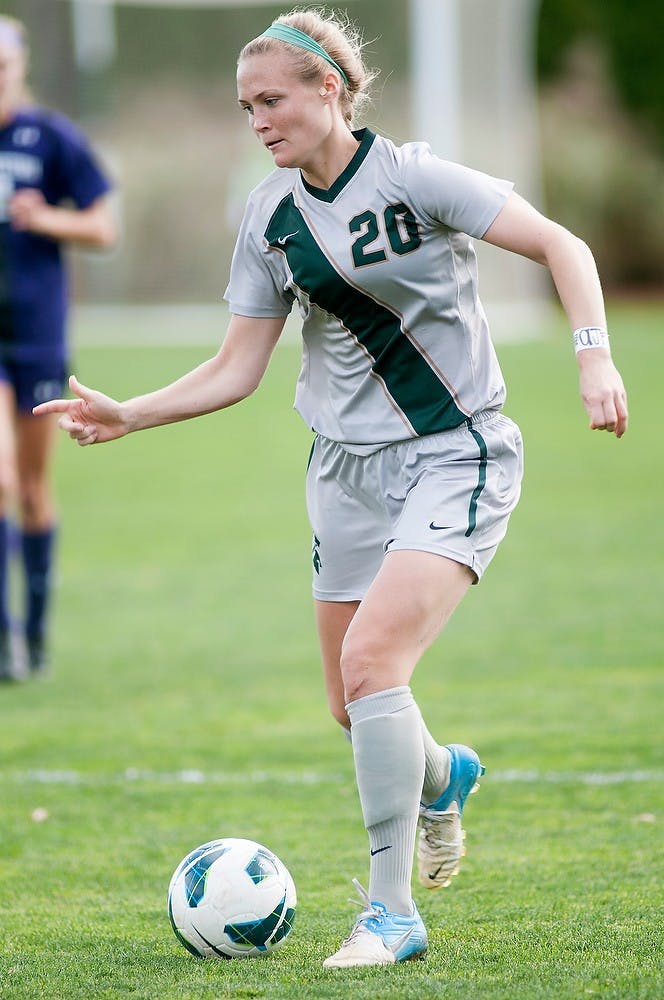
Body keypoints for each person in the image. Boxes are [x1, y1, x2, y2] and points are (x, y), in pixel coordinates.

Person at [34, 8, 628, 968]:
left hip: (457, 452)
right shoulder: (268, 216)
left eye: (271, 99)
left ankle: (390, 913)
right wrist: (132, 413)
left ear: (329, 90)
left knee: (372, 663)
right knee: (354, 706)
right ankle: (441, 778)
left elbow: (567, 247)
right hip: (344, 474)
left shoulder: (415, 177)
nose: (258, 120)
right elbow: (238, 367)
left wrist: (593, 357)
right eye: (245, 107)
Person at [0, 15, 116, 680]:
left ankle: (36, 636)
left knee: (35, 491)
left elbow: (104, 227)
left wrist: (46, 218)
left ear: (19, 69)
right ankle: (4, 640)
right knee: (0, 479)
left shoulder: (49, 138)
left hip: (39, 335)